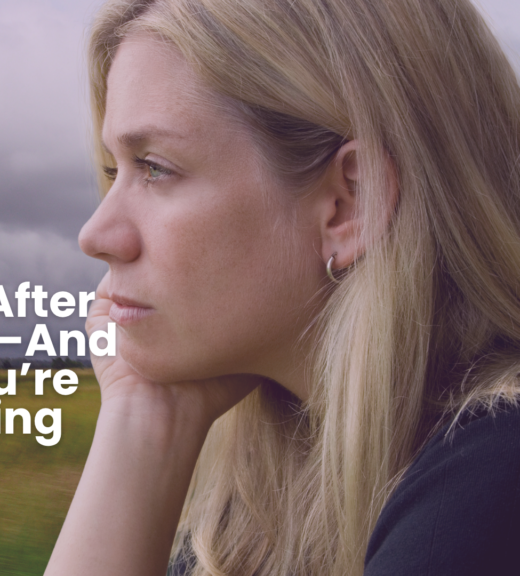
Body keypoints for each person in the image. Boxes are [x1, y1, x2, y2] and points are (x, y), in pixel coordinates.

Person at [45, 0, 520, 574]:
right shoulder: (255, 521)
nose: (96, 234)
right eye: (112, 171)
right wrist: (144, 420)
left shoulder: (493, 488)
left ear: (350, 202)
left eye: (155, 167)